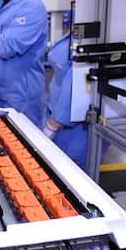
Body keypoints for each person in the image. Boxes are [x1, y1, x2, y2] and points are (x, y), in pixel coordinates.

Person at [43, 32, 88, 170]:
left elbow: (77, 84)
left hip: (73, 126)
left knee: (67, 171)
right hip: (55, 112)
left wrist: (52, 125)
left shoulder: (91, 38)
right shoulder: (77, 27)